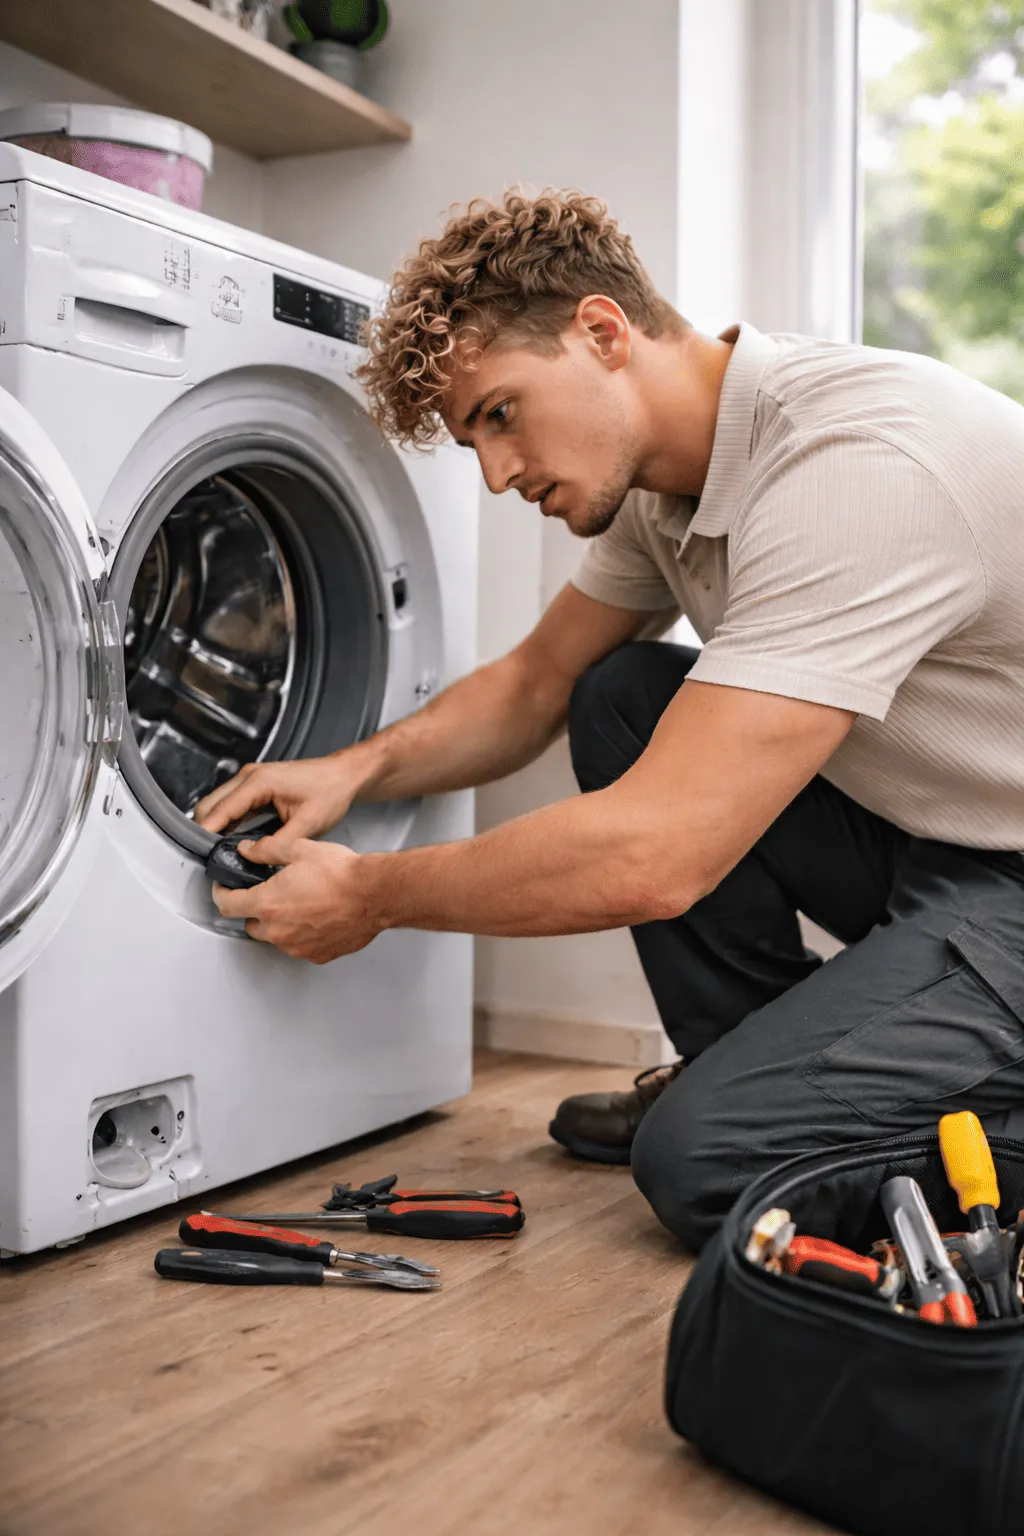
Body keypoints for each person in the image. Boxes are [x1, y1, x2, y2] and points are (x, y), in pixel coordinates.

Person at [196, 188, 1024, 1254]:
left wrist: (370, 895)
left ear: (601, 332)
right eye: (472, 442)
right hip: (942, 845)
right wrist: (352, 771)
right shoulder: (666, 489)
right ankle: (752, 1068)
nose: (497, 474)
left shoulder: (850, 471)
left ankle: (779, 1111)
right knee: (621, 694)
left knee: (702, 1162)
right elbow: (534, 684)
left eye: (501, 414)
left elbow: (656, 855)